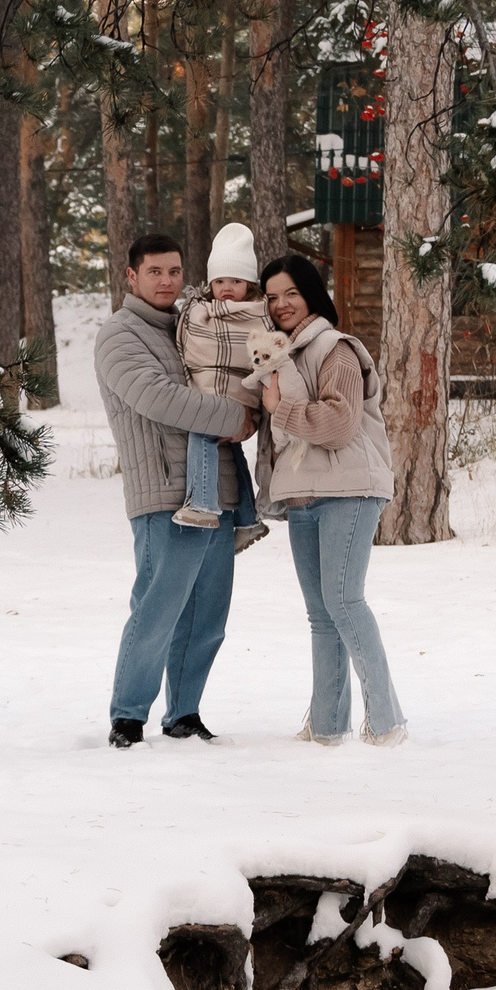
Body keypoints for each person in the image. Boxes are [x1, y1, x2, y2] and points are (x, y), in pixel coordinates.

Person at [94, 233, 257, 748]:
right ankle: (128, 716)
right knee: (157, 608)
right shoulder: (119, 335)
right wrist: (238, 416)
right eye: (154, 271)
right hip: (166, 493)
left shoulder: (193, 326)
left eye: (174, 271)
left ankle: (184, 712)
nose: (166, 281)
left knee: (207, 615)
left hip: (219, 491)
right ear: (131, 276)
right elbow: (159, 398)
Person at [254, 252, 409, 747]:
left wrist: (280, 408)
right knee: (321, 614)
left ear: (312, 294)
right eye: (272, 297)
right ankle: (326, 727)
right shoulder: (282, 354)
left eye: (291, 293)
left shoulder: (334, 348)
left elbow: (339, 424)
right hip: (304, 494)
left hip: (348, 489)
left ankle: (387, 723)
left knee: (344, 601)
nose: (281, 305)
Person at [173, 224, 273, 555]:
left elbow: (258, 357)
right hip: (211, 391)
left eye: (236, 281)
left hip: (238, 396)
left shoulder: (258, 314)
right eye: (219, 281)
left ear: (250, 284)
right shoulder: (199, 312)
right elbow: (194, 347)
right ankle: (247, 518)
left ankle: (202, 504)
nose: (226, 288)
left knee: (202, 432)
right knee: (230, 450)